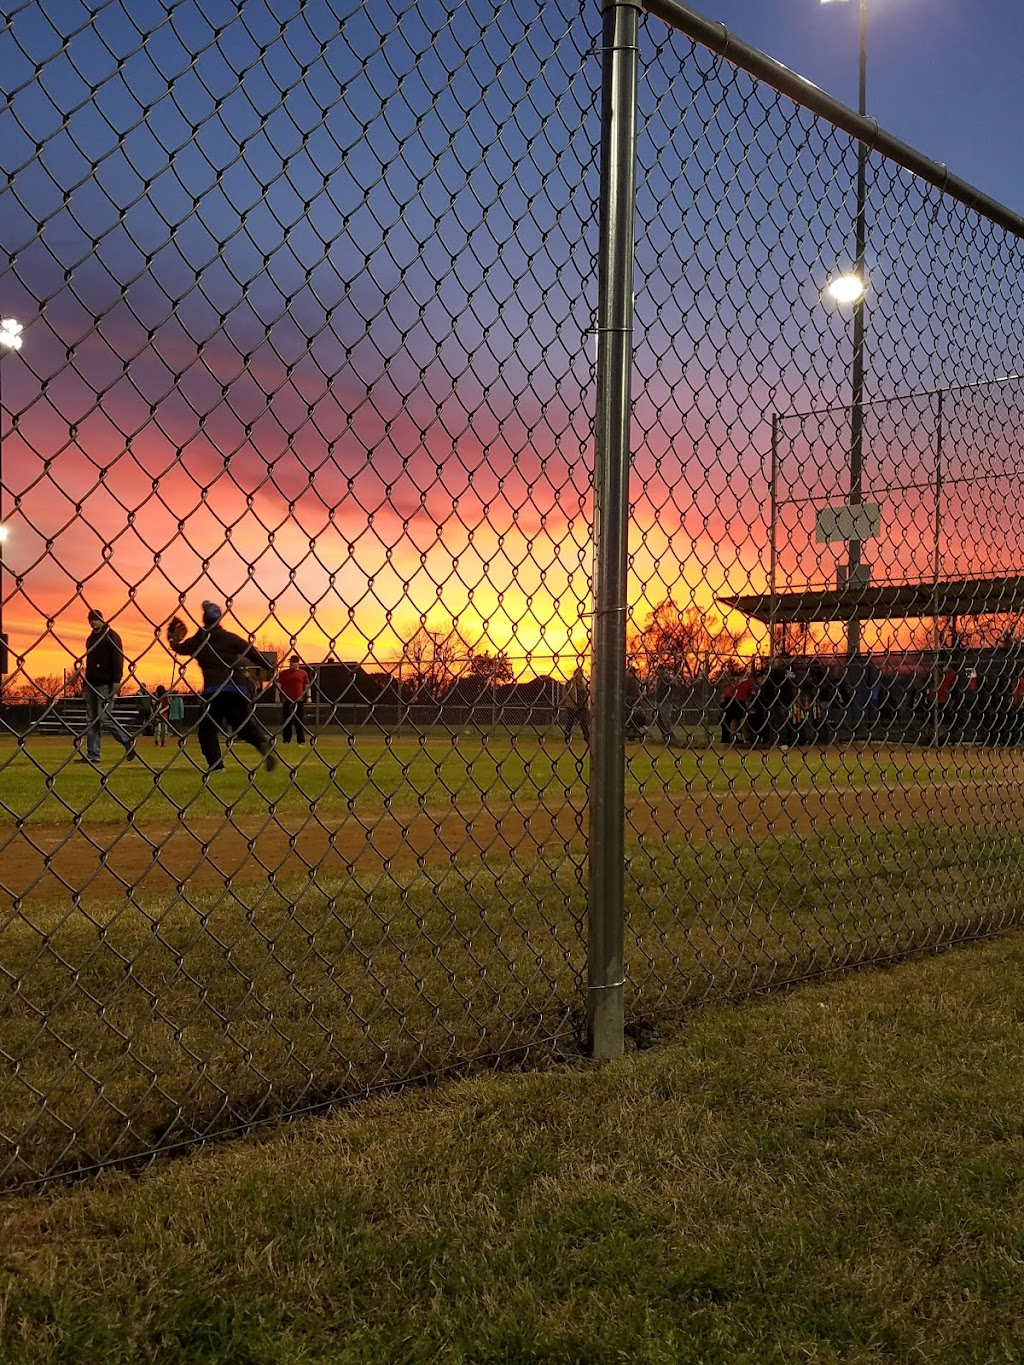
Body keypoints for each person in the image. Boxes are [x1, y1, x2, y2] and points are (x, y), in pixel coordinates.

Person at [166, 601, 277, 773]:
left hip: (214, 691)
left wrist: (172, 640)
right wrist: (268, 667)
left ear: (204, 619)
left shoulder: (199, 640)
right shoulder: (230, 637)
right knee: (243, 726)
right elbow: (251, 651)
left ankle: (216, 765)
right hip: (237, 688)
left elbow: (179, 649)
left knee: (207, 731)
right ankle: (262, 744)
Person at [76, 608, 136, 765]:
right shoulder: (91, 638)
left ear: (101, 619)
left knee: (104, 718)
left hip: (105, 684)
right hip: (91, 683)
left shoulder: (111, 635)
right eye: (90, 619)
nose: (92, 622)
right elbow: (89, 661)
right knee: (92, 720)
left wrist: (117, 680)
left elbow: (118, 658)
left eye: (95, 619)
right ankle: (93, 754)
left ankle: (127, 741)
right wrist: (85, 682)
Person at [277, 654, 310, 744]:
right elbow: (279, 685)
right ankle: (286, 740)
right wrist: (277, 696)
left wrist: (309, 697)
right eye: (290, 662)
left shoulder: (303, 673)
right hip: (287, 701)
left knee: (299, 722)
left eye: (293, 662)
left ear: (297, 663)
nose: (291, 664)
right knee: (287, 722)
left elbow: (307, 686)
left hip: (299, 701)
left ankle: (301, 740)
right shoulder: (284, 673)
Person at [562, 664, 590, 742]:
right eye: (578, 673)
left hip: (582, 705)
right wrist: (568, 701)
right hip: (572, 705)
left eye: (581, 673)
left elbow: (586, 693)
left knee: (584, 721)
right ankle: (567, 736)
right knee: (570, 721)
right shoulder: (570, 683)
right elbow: (564, 692)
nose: (580, 675)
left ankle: (587, 736)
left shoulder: (584, 683)